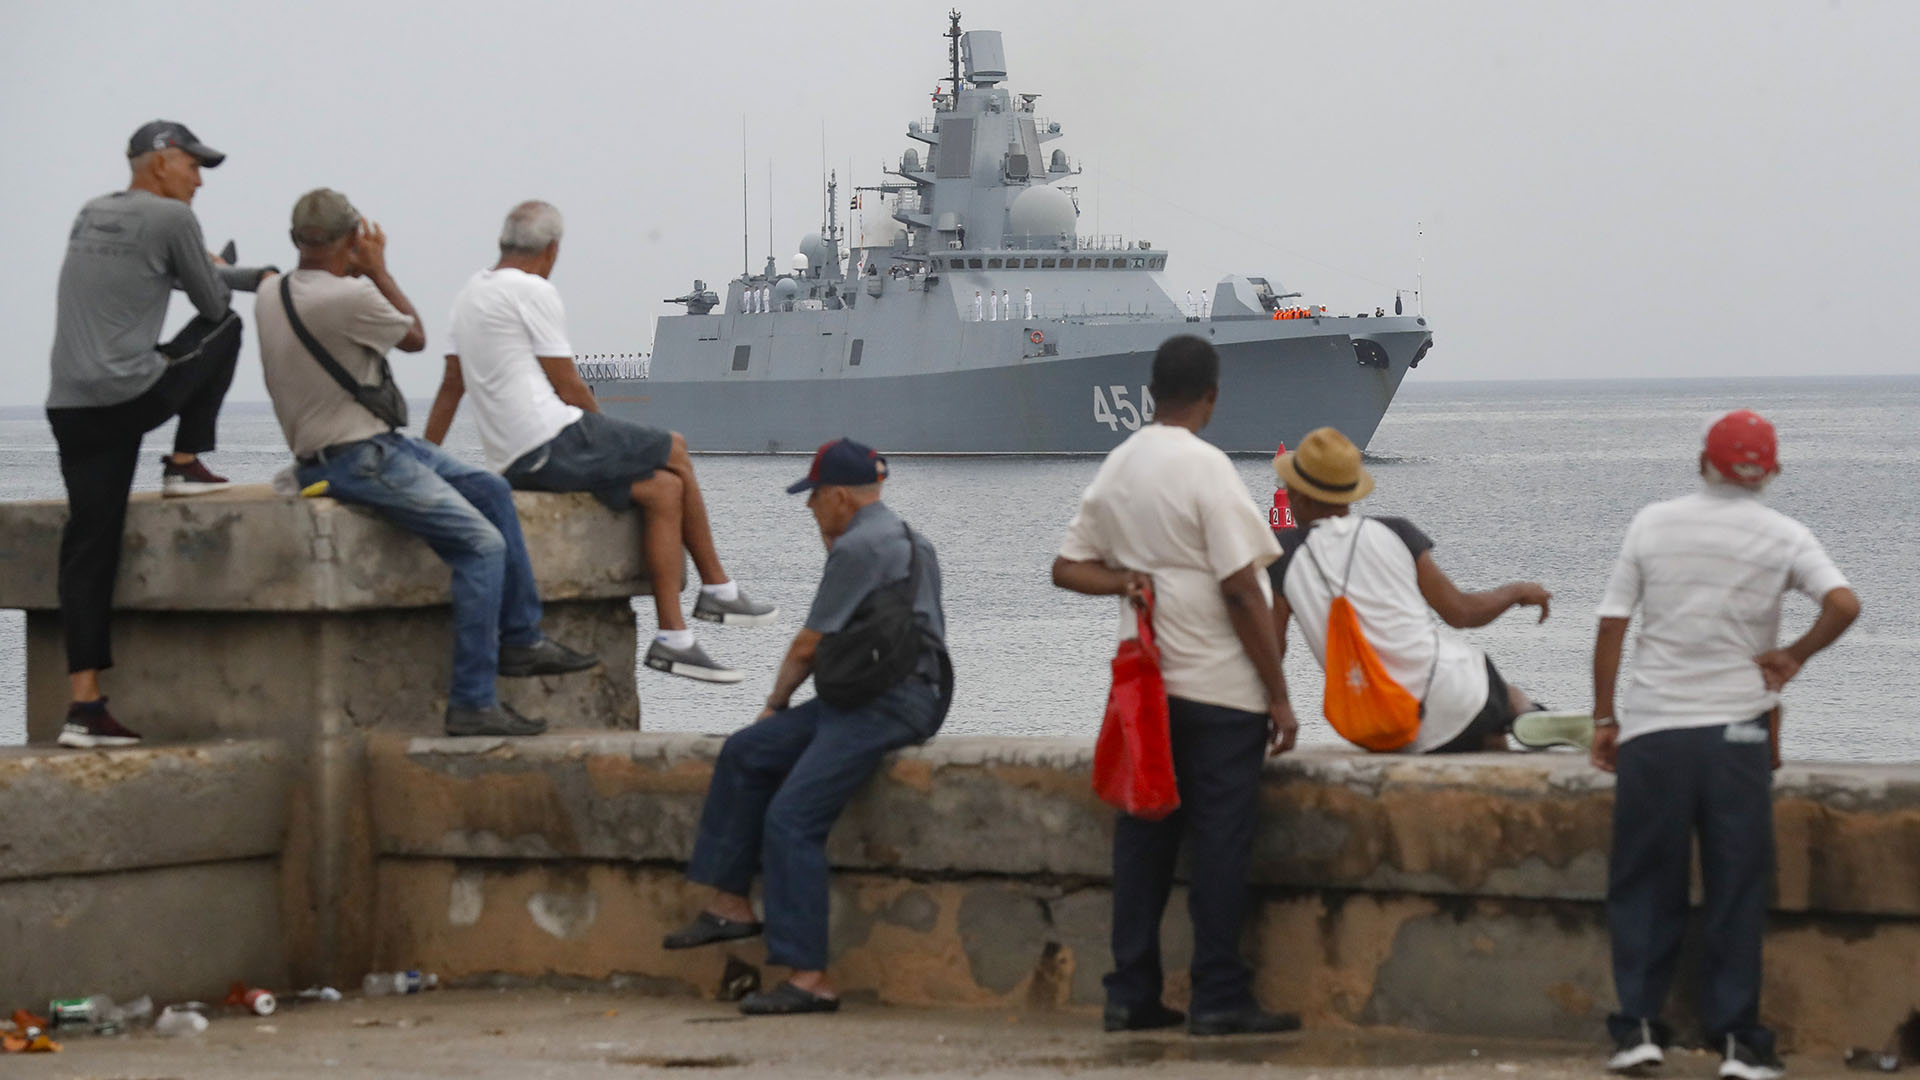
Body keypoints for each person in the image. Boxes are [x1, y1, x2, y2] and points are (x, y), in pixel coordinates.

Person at [255, 189, 597, 737]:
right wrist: (379, 269)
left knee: (490, 490)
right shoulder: (348, 298)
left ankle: (522, 638)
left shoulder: (272, 293)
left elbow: (271, 280)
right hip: (356, 457)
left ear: (297, 238)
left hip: (359, 446)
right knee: (481, 546)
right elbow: (413, 336)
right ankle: (471, 701)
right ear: (351, 239)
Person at [1591, 410, 1858, 1080]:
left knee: (1646, 883)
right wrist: (1792, 656)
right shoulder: (1785, 534)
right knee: (1736, 885)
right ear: (1770, 472)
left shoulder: (1652, 523)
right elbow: (1844, 604)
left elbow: (1613, 624)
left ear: (1702, 461)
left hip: (1656, 731)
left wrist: (1604, 717)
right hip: (1738, 734)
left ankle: (1638, 1030)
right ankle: (1739, 1039)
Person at [1052, 335, 1300, 1037]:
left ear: (1153, 390)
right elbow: (1243, 592)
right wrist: (1279, 695)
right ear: (1211, 395)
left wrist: (1129, 580)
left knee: (1143, 842)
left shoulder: (1119, 465)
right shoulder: (1208, 468)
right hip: (1221, 692)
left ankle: (1130, 992)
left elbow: (1066, 567)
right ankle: (1219, 995)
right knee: (1222, 846)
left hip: (1147, 688)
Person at [426, 201, 775, 684]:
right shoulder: (532, 290)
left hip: (514, 458)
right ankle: (718, 587)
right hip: (550, 438)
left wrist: (426, 459)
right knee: (673, 447)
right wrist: (610, 442)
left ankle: (674, 639)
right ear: (551, 250)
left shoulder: (469, 294)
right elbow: (568, 384)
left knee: (664, 490)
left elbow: (450, 386)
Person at [661, 438, 950, 1016]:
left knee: (792, 818)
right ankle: (730, 907)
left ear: (840, 496)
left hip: (889, 704)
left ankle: (809, 977)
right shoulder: (911, 540)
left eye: (814, 497)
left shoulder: (859, 547)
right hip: (888, 694)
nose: (809, 508)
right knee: (747, 753)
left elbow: (809, 644)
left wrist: (775, 703)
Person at [48, 121, 245, 748]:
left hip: (70, 406)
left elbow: (134, 275)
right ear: (162, 162)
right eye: (194, 165)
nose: (200, 179)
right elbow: (212, 306)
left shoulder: (91, 212)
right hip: (129, 398)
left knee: (90, 546)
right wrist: (220, 272)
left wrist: (200, 272)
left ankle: (85, 707)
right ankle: (185, 462)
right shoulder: (173, 220)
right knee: (228, 329)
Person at [1268, 426, 1586, 753]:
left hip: (1382, 717)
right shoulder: (1397, 532)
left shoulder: (1280, 554)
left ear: (1300, 495)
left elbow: (1272, 648)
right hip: (1462, 689)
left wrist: (1277, 706)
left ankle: (1519, 713)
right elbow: (1462, 612)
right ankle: (1526, 712)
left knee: (1462, 744)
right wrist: (1517, 591)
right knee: (1496, 708)